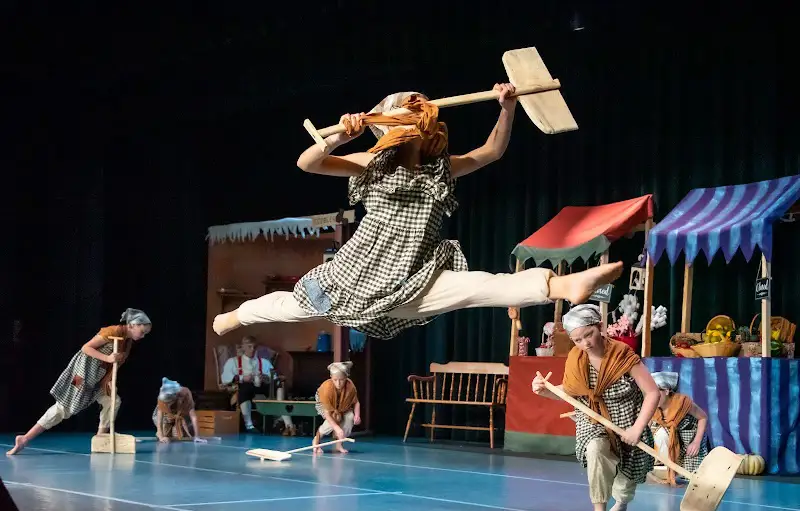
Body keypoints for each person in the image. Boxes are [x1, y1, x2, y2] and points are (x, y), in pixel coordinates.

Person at [212, 84, 624, 339]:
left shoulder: (441, 168)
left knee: (480, 286)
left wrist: (507, 106)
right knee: (291, 307)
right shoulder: (371, 163)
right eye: (410, 106)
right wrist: (340, 134)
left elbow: (491, 152)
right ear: (391, 123)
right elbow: (308, 163)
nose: (420, 108)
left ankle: (563, 286)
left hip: (414, 277)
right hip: (359, 275)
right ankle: (237, 317)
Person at [531, 304, 659, 511]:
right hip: (592, 419)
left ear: (600, 326)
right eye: (577, 340)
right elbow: (570, 392)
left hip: (627, 420)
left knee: (626, 482)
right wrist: (545, 390)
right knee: (595, 450)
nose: (585, 344)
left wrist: (637, 428)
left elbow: (652, 393)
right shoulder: (576, 358)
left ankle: (622, 498)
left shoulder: (622, 355)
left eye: (588, 334)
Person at [7, 308, 152, 456]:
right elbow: (86, 348)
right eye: (142, 332)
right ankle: (25, 439)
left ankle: (100, 437)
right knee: (63, 408)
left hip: (97, 377)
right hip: (81, 374)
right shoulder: (112, 331)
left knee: (112, 401)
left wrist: (108, 378)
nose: (143, 336)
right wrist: (108, 358)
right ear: (132, 325)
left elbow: (113, 365)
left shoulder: (126, 341)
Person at [220, 335, 293, 434]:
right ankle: (249, 425)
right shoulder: (233, 362)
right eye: (249, 347)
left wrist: (265, 378)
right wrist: (242, 378)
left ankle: (287, 423)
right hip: (245, 387)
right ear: (243, 347)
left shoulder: (264, 362)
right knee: (244, 388)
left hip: (262, 386)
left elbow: (274, 377)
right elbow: (225, 379)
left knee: (278, 386)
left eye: (254, 347)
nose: (252, 350)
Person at [647, 371, 708, 486]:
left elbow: (703, 417)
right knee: (659, 434)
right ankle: (668, 465)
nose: (653, 395)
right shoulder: (652, 404)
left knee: (691, 477)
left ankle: (679, 467)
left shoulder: (682, 403)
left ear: (666, 391)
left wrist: (696, 442)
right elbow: (647, 426)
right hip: (671, 439)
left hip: (689, 439)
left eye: (656, 391)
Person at [312, 361, 360, 455]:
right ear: (331, 377)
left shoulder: (350, 386)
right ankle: (316, 440)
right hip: (325, 405)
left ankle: (339, 444)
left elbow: (356, 402)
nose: (338, 383)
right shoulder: (326, 389)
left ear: (346, 377)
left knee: (349, 417)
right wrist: (337, 428)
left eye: (341, 380)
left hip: (342, 405)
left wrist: (357, 415)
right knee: (332, 420)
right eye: (335, 380)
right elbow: (327, 414)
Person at [152, 377, 206, 444]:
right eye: (167, 403)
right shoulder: (162, 397)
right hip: (166, 416)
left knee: (179, 436)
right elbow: (160, 417)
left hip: (180, 414)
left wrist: (197, 436)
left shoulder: (185, 394)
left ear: (176, 397)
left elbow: (193, 416)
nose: (168, 404)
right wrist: (160, 435)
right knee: (165, 436)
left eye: (170, 402)